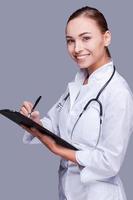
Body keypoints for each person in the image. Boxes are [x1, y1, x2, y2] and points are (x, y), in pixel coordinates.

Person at [20, 6, 133, 200]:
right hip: (67, 191)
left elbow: (110, 161)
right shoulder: (76, 85)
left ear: (106, 38)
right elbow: (54, 126)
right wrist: (35, 123)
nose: (77, 48)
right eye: (70, 41)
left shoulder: (118, 92)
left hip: (99, 194)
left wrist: (58, 150)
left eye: (85, 38)